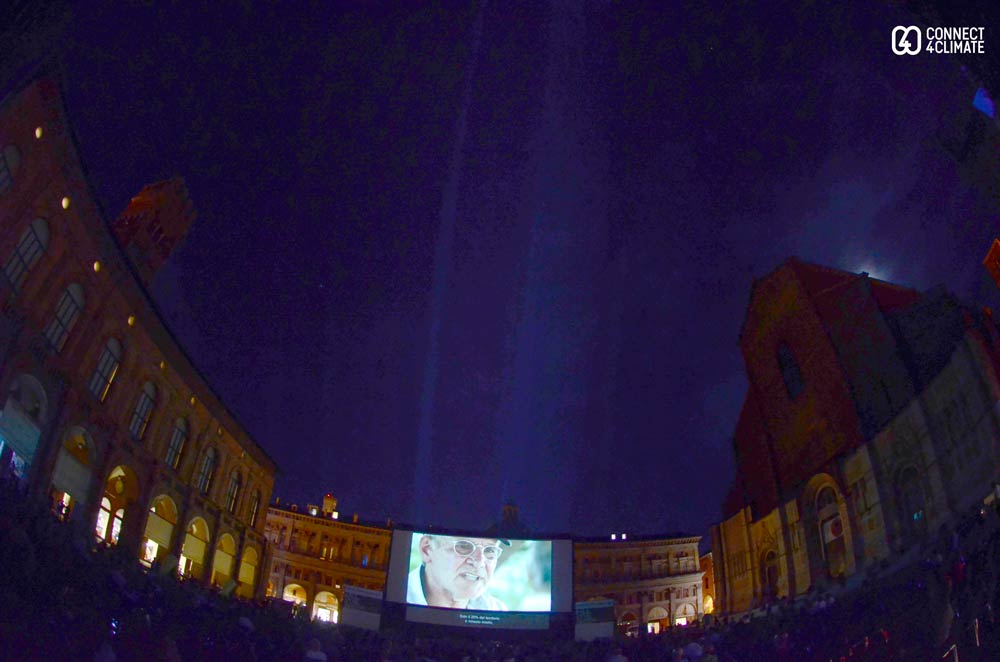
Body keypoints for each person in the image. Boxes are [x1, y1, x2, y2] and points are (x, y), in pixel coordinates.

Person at [407, 534, 509, 610]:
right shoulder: (395, 603)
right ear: (427, 549)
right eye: (464, 546)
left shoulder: (497, 611)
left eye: (490, 550)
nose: (479, 563)